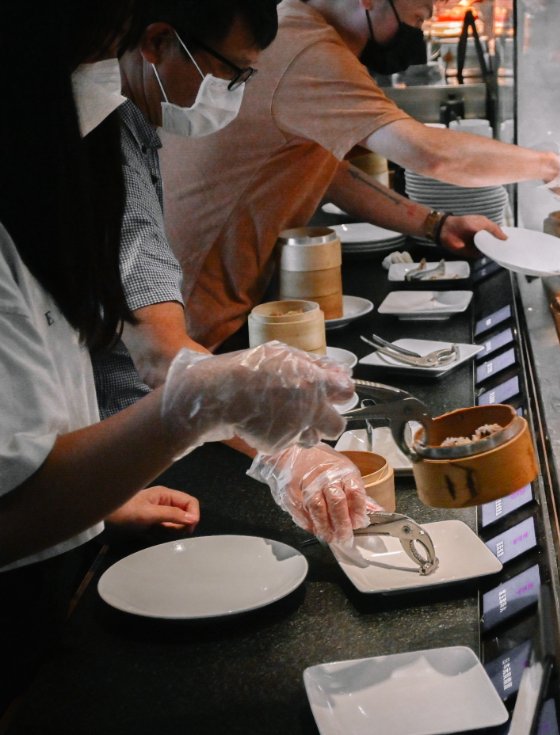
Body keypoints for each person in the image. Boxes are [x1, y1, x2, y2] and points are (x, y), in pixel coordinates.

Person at [0, 0, 359, 708]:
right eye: (231, 75)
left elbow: (33, 441)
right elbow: (14, 514)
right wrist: (198, 407)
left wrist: (99, 497)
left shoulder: (103, 129)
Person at [89, 0, 375, 546]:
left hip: (107, 467)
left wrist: (104, 499)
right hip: (94, 449)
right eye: (228, 71)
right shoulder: (100, 139)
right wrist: (290, 454)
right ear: (156, 43)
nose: (234, 92)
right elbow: (160, 356)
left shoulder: (131, 121)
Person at [161, 0, 560, 350]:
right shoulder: (309, 52)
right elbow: (430, 156)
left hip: (194, 303)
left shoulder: (299, 27)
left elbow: (324, 171)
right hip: (182, 315)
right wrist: (550, 167)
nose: (420, 30)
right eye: (417, 16)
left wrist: (435, 224)